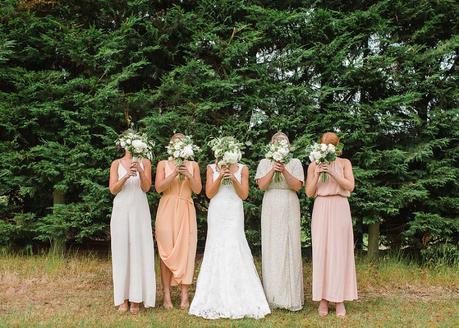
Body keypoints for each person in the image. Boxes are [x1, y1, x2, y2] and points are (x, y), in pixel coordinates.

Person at [189, 159, 270, 319]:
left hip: (234, 210)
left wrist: (233, 177)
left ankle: (239, 294)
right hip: (217, 210)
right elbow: (210, 193)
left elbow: (244, 194)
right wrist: (220, 176)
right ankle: (214, 295)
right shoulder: (211, 168)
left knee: (235, 245)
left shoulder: (243, 169)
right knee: (216, 246)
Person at [305, 132, 358, 317]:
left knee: (338, 252)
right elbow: (309, 192)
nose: (329, 146)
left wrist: (334, 173)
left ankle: (339, 299)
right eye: (327, 143)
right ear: (320, 145)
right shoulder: (314, 164)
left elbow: (350, 186)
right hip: (321, 206)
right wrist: (319, 173)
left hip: (340, 206)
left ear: (337, 146)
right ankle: (323, 300)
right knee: (322, 252)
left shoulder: (345, 163)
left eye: (332, 144)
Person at [255, 132, 304, 311]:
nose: (281, 142)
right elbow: (261, 186)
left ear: (289, 145)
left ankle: (291, 297)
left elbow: (297, 186)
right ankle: (272, 296)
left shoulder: (295, 162)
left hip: (289, 203)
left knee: (289, 246)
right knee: (272, 247)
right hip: (271, 205)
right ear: (271, 144)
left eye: (284, 140)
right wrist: (274, 168)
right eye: (277, 140)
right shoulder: (264, 162)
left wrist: (284, 169)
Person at [155, 133, 202, 309]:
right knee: (165, 251)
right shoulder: (163, 164)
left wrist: (188, 175)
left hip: (186, 209)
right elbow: (159, 187)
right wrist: (174, 172)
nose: (178, 145)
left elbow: (197, 190)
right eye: (175, 142)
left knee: (186, 251)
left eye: (181, 143)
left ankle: (184, 295)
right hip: (167, 207)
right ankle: (166, 295)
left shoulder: (193, 165)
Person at [109, 145, 156, 315]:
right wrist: (126, 176)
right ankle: (123, 298)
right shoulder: (116, 163)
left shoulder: (146, 162)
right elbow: (113, 189)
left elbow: (146, 188)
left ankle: (136, 298)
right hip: (121, 208)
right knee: (122, 251)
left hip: (139, 209)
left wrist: (141, 171)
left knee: (138, 249)